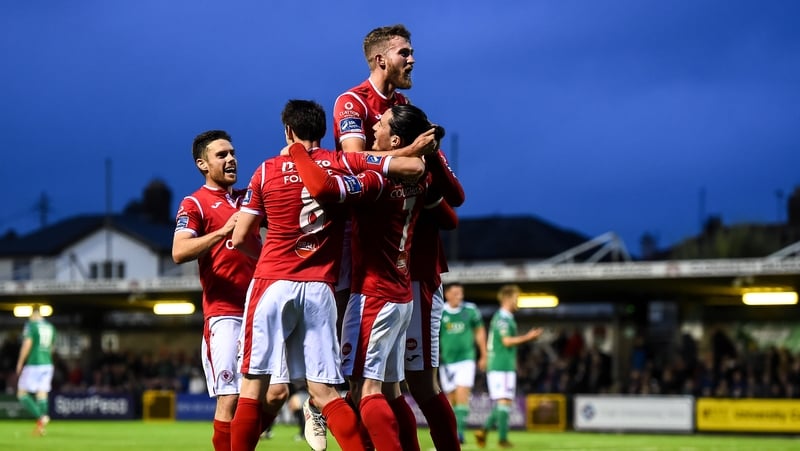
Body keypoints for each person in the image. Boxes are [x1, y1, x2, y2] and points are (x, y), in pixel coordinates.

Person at [230, 99, 425, 451]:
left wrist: (268, 262)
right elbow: (402, 165)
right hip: (320, 289)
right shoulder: (342, 162)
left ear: (288, 131)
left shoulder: (266, 170)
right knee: (327, 393)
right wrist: (412, 148)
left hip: (272, 281)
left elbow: (241, 236)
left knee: (252, 385)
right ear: (323, 131)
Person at [294, 104, 444, 451]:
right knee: (391, 392)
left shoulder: (377, 181)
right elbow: (447, 206)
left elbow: (324, 189)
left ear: (393, 138)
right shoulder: (422, 176)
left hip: (374, 295)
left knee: (365, 390)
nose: (372, 124)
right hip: (400, 293)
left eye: (381, 122)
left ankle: (318, 406)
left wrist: (300, 152)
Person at [172, 130, 289, 451]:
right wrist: (223, 230)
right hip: (224, 314)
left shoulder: (251, 198)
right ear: (203, 164)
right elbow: (179, 251)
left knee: (278, 393)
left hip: (263, 310)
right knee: (231, 397)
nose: (231, 159)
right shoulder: (194, 203)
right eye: (221, 155)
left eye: (232, 153)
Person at [474, 284, 543, 449]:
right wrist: (528, 337)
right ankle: (501, 438)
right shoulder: (503, 318)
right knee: (504, 401)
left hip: (504, 365)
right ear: (507, 298)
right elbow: (506, 341)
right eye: (516, 298)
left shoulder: (506, 317)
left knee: (504, 402)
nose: (518, 301)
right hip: (500, 366)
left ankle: (484, 432)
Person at [439, 282, 488, 444]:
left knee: (462, 394)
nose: (459, 296)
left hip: (466, 359)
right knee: (449, 399)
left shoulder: (470, 310)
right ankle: (450, 432)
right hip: (446, 362)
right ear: (447, 294)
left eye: (461, 293)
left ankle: (459, 434)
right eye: (455, 293)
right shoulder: (440, 311)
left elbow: (479, 331)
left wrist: (484, 354)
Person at [16, 305, 56, 436]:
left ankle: (41, 416)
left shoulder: (31, 326)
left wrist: (20, 362)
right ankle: (41, 428)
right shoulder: (51, 327)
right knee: (42, 393)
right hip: (48, 364)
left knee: (22, 393)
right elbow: (51, 348)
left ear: (33, 314)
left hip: (34, 363)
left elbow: (27, 344)